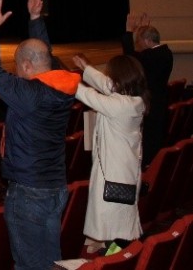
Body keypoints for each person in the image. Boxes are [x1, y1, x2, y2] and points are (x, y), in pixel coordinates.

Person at [0, 0, 80, 270]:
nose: (16, 71)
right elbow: (45, 56)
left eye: (17, 66)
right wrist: (35, 18)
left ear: (25, 66)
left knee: (28, 265)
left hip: (29, 193)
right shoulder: (63, 85)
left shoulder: (28, 95)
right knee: (49, 260)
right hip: (55, 187)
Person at [71, 53, 148, 254]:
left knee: (114, 220)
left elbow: (88, 95)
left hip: (115, 173)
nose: (108, 79)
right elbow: (106, 85)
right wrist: (86, 68)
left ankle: (116, 254)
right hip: (121, 168)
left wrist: (60, 76)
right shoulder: (133, 99)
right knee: (112, 218)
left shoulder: (120, 105)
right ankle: (112, 248)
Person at [121, 12, 173, 167]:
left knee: (150, 143)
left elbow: (130, 56)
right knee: (155, 139)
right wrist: (143, 28)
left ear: (148, 40)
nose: (138, 44)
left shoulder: (151, 57)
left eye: (140, 41)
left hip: (151, 105)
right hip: (160, 101)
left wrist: (129, 31)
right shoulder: (165, 52)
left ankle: (149, 170)